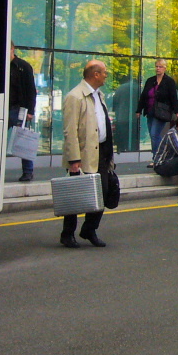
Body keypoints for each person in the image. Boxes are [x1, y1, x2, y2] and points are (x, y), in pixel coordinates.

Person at [60, 60, 113, 248]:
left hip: (101, 153)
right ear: (95, 74)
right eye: (104, 72)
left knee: (102, 194)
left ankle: (89, 229)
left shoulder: (99, 95)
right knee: (75, 197)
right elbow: (70, 130)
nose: (107, 75)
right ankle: (67, 234)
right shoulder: (75, 97)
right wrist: (74, 159)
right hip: (83, 156)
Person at [136, 58, 178, 158]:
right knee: (153, 136)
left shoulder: (169, 81)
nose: (158, 69)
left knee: (154, 134)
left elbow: (173, 97)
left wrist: (177, 112)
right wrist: (139, 110)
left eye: (160, 67)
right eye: (156, 66)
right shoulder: (150, 80)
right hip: (150, 111)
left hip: (161, 112)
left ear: (165, 68)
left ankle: (158, 156)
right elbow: (143, 96)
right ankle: (159, 155)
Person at [9, 42, 37, 182]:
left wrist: (30, 111)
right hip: (3, 108)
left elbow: (31, 90)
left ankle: (28, 171)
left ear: (12, 49)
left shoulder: (23, 67)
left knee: (23, 140)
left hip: (19, 108)